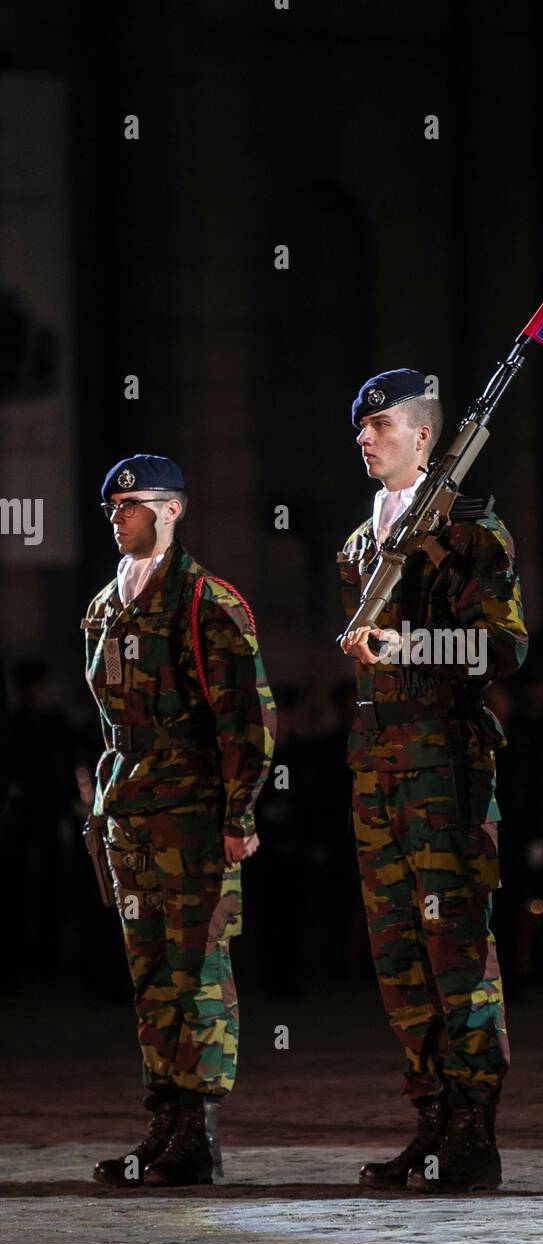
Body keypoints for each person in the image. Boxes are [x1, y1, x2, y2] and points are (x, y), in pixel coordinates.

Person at [338, 369, 528, 1193]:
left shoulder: (472, 532)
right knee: (399, 958)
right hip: (377, 776)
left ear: (425, 435)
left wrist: (410, 649)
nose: (365, 438)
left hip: (446, 772)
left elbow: (504, 649)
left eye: (380, 424)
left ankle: (473, 1134)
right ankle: (431, 1117)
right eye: (360, 427)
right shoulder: (358, 544)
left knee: (457, 952)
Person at [82, 454, 275, 1186]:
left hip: (194, 811)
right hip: (130, 811)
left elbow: (247, 717)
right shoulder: (104, 606)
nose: (119, 515)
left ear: (172, 510)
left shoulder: (206, 601)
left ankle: (198, 1131)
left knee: (199, 971)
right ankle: (162, 1121)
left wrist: (240, 810)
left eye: (133, 503)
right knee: (152, 974)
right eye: (113, 506)